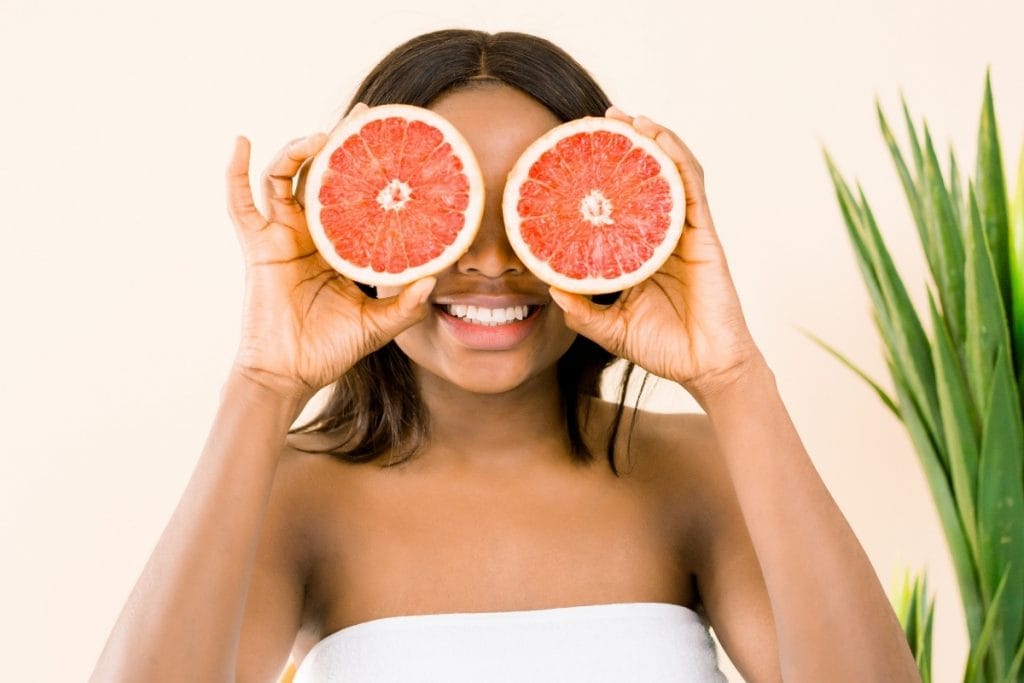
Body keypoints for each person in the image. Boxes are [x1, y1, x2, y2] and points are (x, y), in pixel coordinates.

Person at [91, 29, 920, 682]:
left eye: (533, 208)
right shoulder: (293, 494)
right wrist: (262, 382)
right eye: (448, 211)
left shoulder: (693, 472)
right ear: (359, 232)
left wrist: (734, 379)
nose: (490, 259)